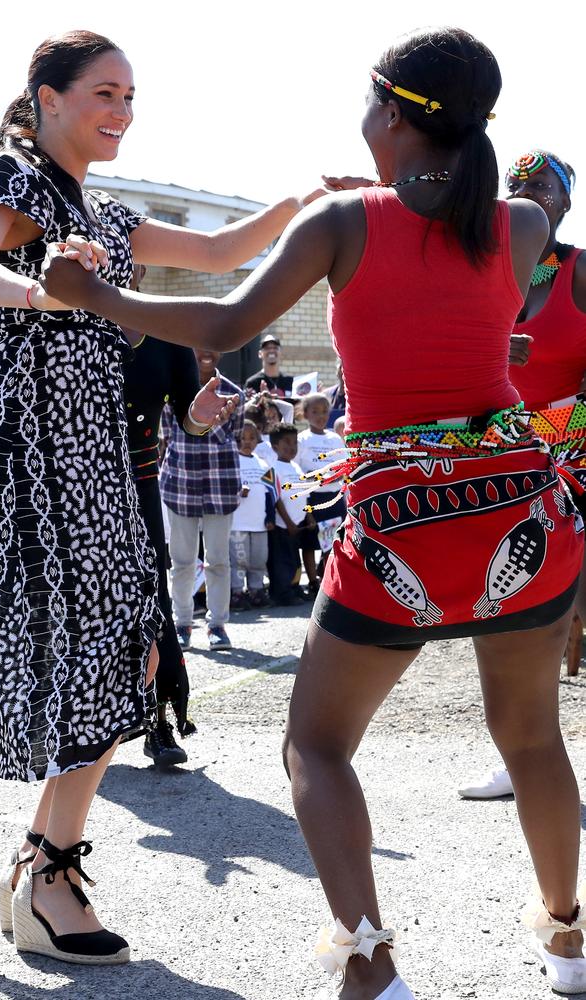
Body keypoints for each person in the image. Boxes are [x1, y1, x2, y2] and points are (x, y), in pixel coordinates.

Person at [41, 26, 586, 998]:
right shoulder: (516, 228)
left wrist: (93, 289)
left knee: (316, 744)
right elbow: (505, 203)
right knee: (533, 739)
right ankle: (565, 939)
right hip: (520, 516)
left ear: (385, 115)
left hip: (399, 540)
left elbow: (220, 325)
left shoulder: (340, 228)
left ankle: (369, 964)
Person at [0, 30, 324, 967]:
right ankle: (50, 878)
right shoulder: (14, 181)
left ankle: (45, 867)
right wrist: (47, 294)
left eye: (131, 97)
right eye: (104, 93)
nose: (121, 112)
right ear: (49, 98)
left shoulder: (109, 215)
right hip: (30, 453)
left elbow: (227, 245)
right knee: (87, 650)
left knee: (135, 653)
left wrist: (305, 206)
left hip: (100, 456)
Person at [459, 150, 586, 803]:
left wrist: (553, 439)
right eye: (515, 182)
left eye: (540, 183)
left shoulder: (579, 270)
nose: (524, 190)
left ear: (565, 201)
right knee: (505, 612)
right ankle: (519, 758)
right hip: (496, 468)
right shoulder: (480, 272)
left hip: (573, 469)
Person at [122, 266, 236, 766]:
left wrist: (202, 413)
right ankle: (75, 729)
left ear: (141, 267)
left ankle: (158, 723)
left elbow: (188, 423)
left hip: (141, 486)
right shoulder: (75, 329)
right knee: (80, 606)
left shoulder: (167, 331)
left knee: (150, 603)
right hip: (77, 488)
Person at [160, 349, 245, 651]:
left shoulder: (234, 394)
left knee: (218, 561)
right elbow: (168, 435)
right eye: (197, 345)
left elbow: (233, 435)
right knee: (181, 562)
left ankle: (217, 626)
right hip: (180, 485)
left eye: (213, 346)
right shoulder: (173, 389)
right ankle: (182, 623)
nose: (205, 352)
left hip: (220, 486)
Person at [296, 392, 347, 594]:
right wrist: (313, 477)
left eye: (325, 411)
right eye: (315, 411)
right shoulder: (301, 439)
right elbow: (296, 469)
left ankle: (328, 580)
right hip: (312, 497)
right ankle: (312, 581)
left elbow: (345, 465)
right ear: (306, 414)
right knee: (310, 542)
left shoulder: (335, 439)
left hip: (333, 497)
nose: (320, 416)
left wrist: (337, 476)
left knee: (332, 540)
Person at [229, 419, 275, 610]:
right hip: (237, 524)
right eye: (242, 438)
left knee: (258, 559)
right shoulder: (230, 461)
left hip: (259, 523)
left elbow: (270, 493)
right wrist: (238, 491)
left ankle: (256, 591)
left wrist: (270, 517)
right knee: (239, 561)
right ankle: (237, 593)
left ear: (258, 440)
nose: (247, 441)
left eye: (251, 438)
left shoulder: (264, 464)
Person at [266, 423, 314, 606]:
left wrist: (309, 517)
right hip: (282, 525)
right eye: (286, 442)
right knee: (281, 561)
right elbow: (276, 499)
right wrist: (288, 522)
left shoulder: (296, 467)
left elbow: (305, 496)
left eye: (294, 442)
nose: (292, 447)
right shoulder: (272, 468)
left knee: (295, 558)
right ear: (274, 446)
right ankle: (282, 593)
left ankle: (294, 588)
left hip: (298, 523)